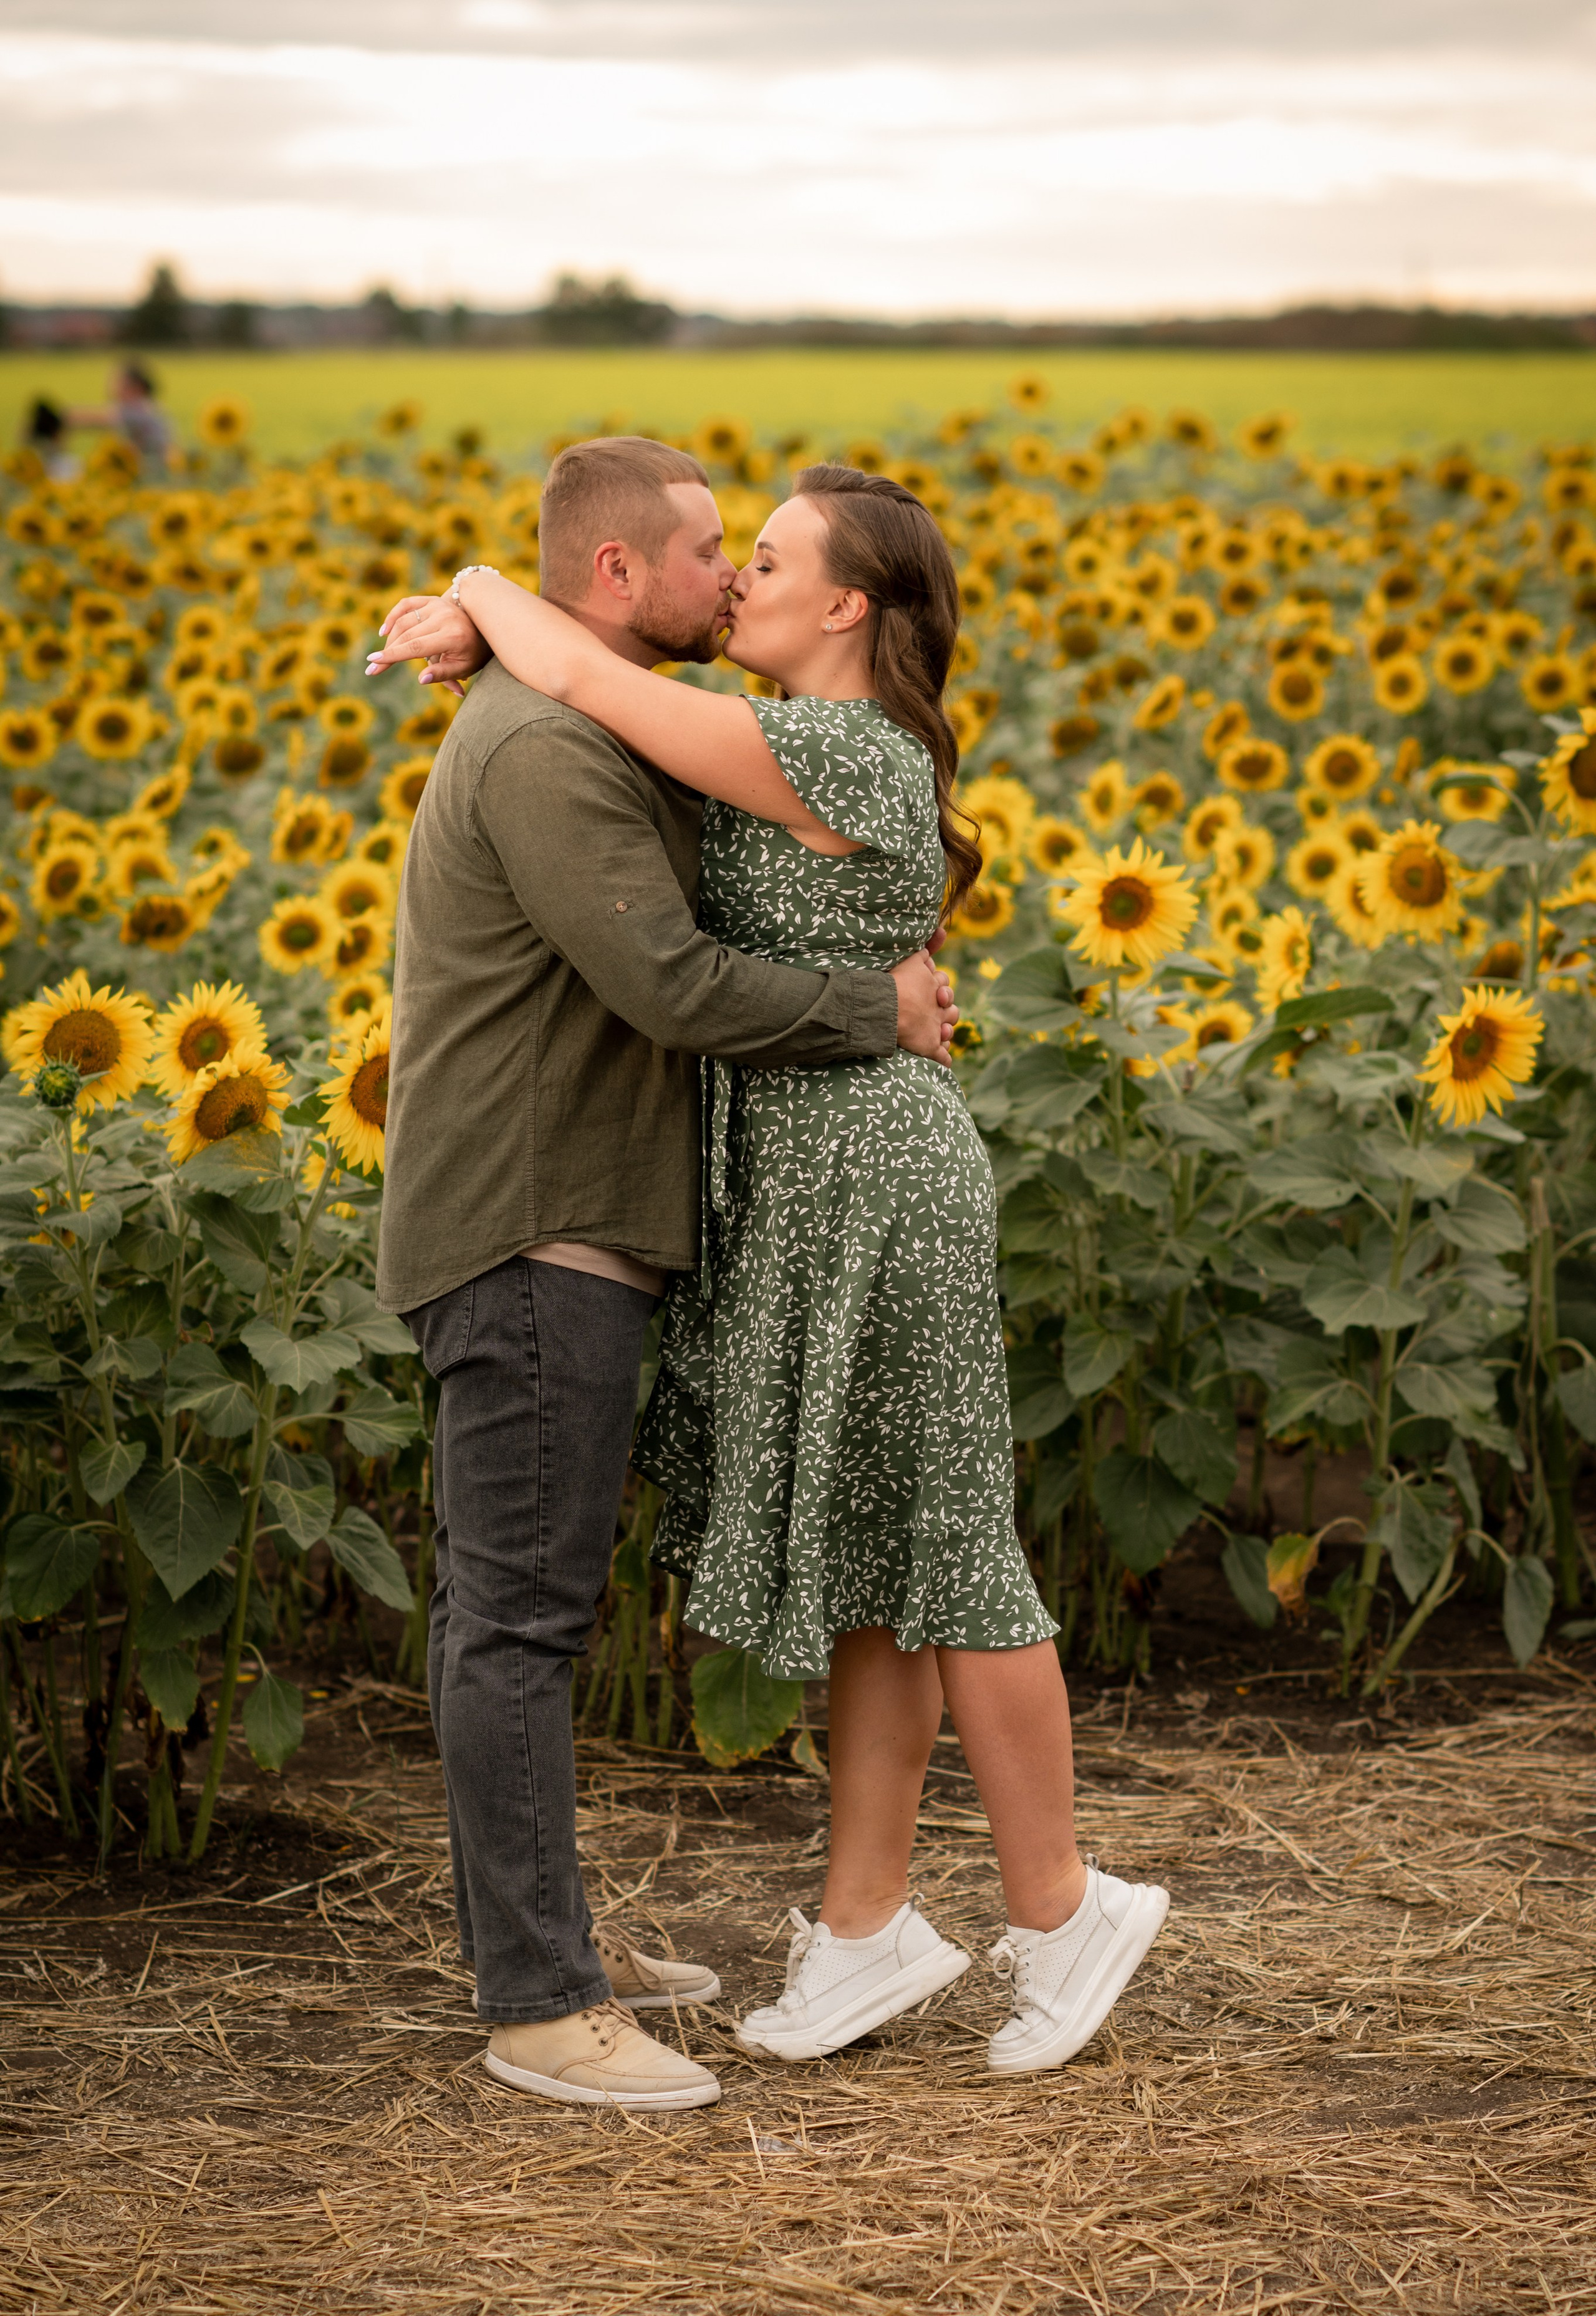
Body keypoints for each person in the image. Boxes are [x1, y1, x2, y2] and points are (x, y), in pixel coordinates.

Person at [370, 462, 1171, 2081]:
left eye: (767, 558)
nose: (737, 580)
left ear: (846, 606)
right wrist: (481, 612)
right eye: (719, 553)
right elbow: (591, 688)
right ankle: (865, 1927)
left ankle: (1062, 1906)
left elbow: (598, 677)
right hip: (794, 1187)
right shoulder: (700, 736)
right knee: (888, 1554)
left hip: (869, 1183)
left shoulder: (822, 744)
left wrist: (483, 601)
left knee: (943, 1535)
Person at [66, 360, 173, 470]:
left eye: (118, 382)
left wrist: (64, 418)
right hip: (146, 466)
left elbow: (100, 419)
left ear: (137, 387)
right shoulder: (146, 406)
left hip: (151, 470)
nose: (112, 387)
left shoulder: (142, 409)